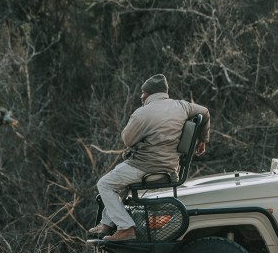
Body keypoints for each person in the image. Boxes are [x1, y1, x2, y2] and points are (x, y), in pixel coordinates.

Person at [89, 74, 211, 242]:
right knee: (120, 182)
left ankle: (125, 228)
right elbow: (205, 111)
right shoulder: (182, 106)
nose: (140, 96)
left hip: (145, 166)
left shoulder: (142, 114)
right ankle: (107, 223)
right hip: (169, 167)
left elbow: (127, 139)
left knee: (104, 184)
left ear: (149, 94)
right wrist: (203, 139)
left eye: (142, 92)